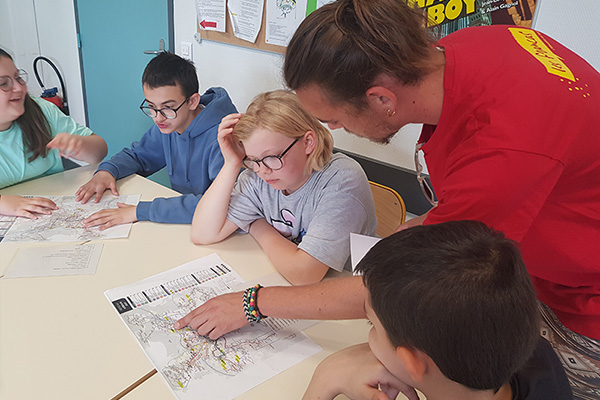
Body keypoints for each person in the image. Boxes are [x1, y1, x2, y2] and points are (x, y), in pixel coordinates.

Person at [178, 1, 600, 397]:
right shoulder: (465, 48)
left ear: (382, 99)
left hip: (584, 306)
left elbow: (408, 288)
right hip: (540, 272)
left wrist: (254, 303)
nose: (335, 132)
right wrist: (409, 237)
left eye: (334, 119)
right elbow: (469, 206)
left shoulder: (509, 150)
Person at [303, 221, 573, 400]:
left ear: (413, 362)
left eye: (371, 325)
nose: (369, 337)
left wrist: (326, 377)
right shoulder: (537, 354)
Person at [188, 90, 376, 285]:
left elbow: (304, 274)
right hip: (284, 282)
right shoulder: (258, 174)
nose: (263, 171)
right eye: (253, 160)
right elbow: (203, 233)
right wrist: (232, 164)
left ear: (307, 142)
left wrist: (257, 225)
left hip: (349, 293)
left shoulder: (342, 180)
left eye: (272, 157)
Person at [76, 52, 236, 228]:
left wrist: (140, 211)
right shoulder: (169, 124)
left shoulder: (223, 139)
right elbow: (138, 156)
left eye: (168, 107)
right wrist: (107, 171)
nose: (158, 118)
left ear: (192, 101)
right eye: (151, 107)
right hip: (186, 222)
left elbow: (221, 204)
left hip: (218, 227)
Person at [0, 48, 107, 218]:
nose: (19, 87)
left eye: (18, 77)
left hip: (53, 209)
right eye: (3, 83)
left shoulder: (40, 109)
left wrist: (80, 145)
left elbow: (99, 152)